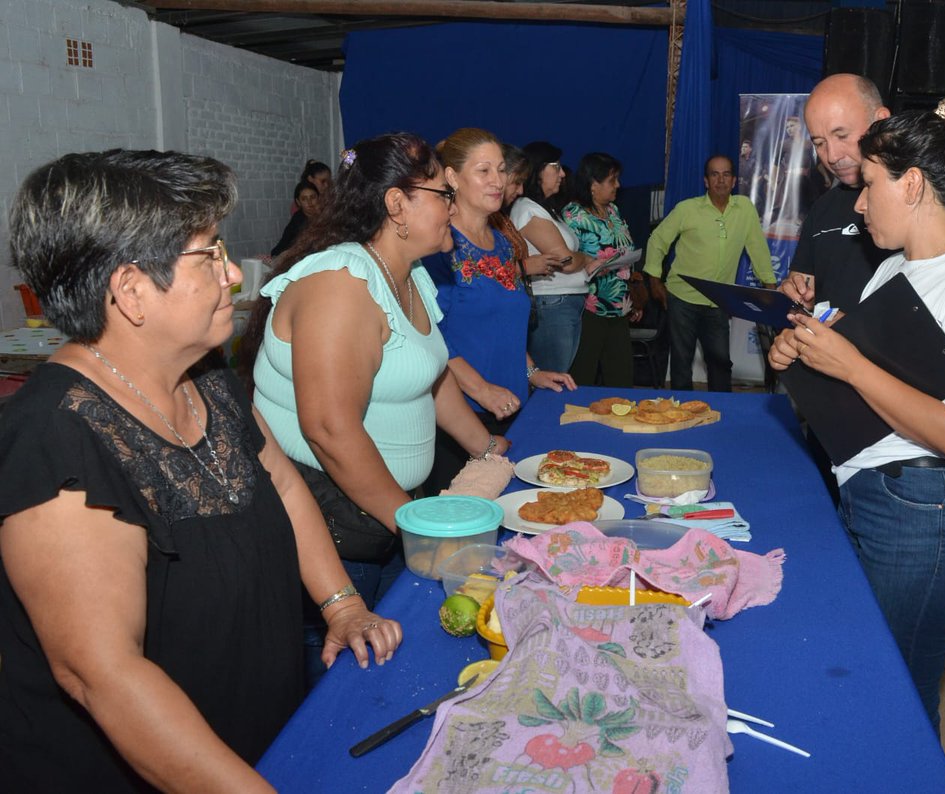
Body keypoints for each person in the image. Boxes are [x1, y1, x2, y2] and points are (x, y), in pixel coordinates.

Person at [0, 149, 400, 791]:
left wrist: (342, 603)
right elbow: (103, 674)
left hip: (254, 739)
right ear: (131, 289)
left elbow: (285, 486)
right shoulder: (55, 437)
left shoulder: (206, 378)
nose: (232, 277)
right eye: (208, 255)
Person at [768, 99, 945, 736]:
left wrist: (848, 363)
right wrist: (801, 353)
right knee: (872, 690)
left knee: (893, 710)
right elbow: (870, 386)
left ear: (911, 184)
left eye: (871, 185)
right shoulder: (891, 271)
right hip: (880, 503)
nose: (857, 203)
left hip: (927, 521)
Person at [243, 134, 507, 684]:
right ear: (396, 204)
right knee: (349, 684)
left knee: (402, 659)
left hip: (382, 516)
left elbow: (432, 380)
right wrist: (416, 528)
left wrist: (489, 450)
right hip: (333, 522)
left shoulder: (407, 275)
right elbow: (330, 429)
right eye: (443, 194)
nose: (454, 209)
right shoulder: (342, 283)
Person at [422, 128, 576, 494]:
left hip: (510, 408)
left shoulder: (502, 244)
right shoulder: (437, 248)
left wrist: (532, 371)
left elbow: (505, 320)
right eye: (484, 171)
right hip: (459, 420)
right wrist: (482, 389)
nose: (498, 181)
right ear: (452, 177)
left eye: (502, 170)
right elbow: (429, 336)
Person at [782, 73, 945, 312]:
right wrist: (797, 300)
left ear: (879, 121)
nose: (832, 156)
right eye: (819, 142)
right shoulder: (823, 208)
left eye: (842, 136)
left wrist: (848, 340)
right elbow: (803, 294)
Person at [644, 154, 777, 392]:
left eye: (726, 174)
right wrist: (654, 280)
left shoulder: (744, 209)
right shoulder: (687, 209)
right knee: (681, 364)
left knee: (720, 363)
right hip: (682, 298)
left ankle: (721, 415)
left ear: (734, 180)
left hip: (718, 302)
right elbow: (657, 241)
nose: (720, 180)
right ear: (706, 181)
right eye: (714, 174)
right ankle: (681, 413)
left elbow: (757, 248)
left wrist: (770, 287)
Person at [510, 141, 591, 374]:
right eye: (556, 167)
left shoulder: (546, 209)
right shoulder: (528, 209)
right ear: (537, 171)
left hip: (564, 302)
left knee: (560, 374)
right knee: (552, 376)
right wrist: (584, 258)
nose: (562, 174)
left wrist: (584, 262)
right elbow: (564, 261)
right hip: (552, 303)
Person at [563, 152, 641, 386]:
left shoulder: (613, 211)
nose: (618, 185)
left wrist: (633, 295)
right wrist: (591, 264)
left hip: (619, 306)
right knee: (583, 376)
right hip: (589, 306)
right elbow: (566, 259)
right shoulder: (573, 215)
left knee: (621, 377)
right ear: (593, 184)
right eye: (611, 180)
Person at [271, 180, 320, 257]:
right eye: (304, 199)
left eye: (313, 197)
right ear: (298, 202)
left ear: (319, 198)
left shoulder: (326, 215)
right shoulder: (298, 221)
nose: (309, 202)